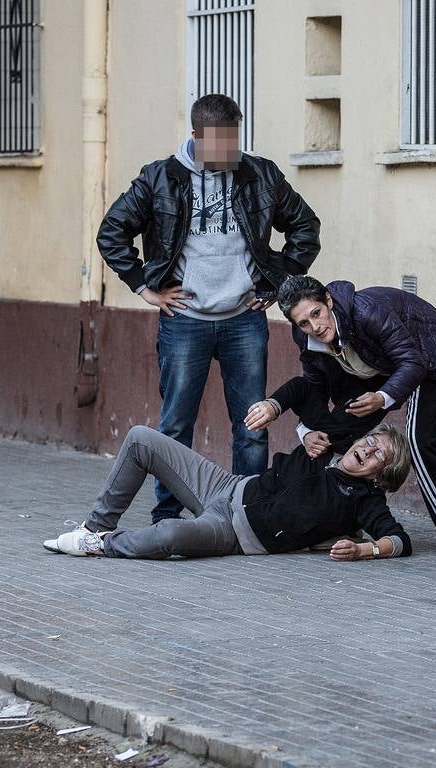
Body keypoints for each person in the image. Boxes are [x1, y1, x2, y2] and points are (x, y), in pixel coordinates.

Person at [96, 93, 322, 525]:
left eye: (234, 140)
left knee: (252, 427)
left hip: (244, 320)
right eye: (220, 143)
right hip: (184, 322)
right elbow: (112, 231)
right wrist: (145, 287)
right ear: (197, 136)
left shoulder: (259, 173)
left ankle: (251, 515)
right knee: (176, 426)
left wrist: (275, 283)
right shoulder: (160, 178)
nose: (230, 152)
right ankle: (167, 515)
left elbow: (305, 228)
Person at [244, 276, 436, 555]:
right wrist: (306, 431)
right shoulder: (306, 337)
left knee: (418, 440)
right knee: (337, 429)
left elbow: (411, 361)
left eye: (316, 314)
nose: (314, 327)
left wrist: (381, 398)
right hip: (373, 365)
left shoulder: (367, 312)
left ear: (328, 301)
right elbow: (314, 387)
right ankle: (347, 523)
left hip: (424, 357)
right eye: (303, 323)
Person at [42, 423, 412, 561]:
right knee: (141, 439)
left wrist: (364, 549)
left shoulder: (365, 500)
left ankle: (101, 545)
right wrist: (300, 426)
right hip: (226, 485)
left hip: (234, 533)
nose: (367, 449)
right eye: (370, 440)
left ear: (381, 476)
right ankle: (92, 527)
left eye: (380, 454)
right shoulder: (327, 447)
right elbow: (310, 393)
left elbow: (399, 540)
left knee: (170, 533)